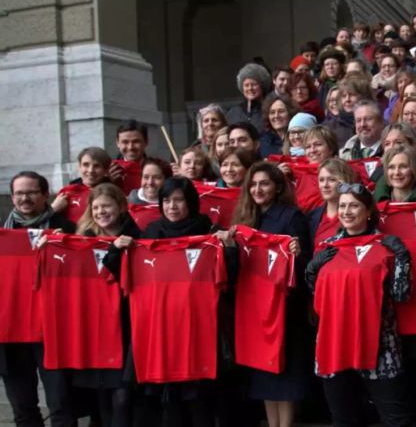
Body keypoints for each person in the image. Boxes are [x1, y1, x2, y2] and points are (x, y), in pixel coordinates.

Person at [304, 183, 415, 426]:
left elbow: (401, 295)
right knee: (343, 419)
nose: (346, 211)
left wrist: (403, 261)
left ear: (368, 211)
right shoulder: (327, 247)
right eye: (342, 205)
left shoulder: (386, 246)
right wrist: (311, 271)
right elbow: (318, 296)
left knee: (396, 418)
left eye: (354, 205)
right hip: (334, 343)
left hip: (379, 345)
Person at [136, 177, 231, 427]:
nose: (172, 206)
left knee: (200, 404)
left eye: (179, 200)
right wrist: (117, 250)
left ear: (190, 202)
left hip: (199, 328)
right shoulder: (150, 233)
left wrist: (229, 248)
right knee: (170, 406)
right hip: (163, 330)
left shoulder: (208, 232)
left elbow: (229, 275)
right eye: (166, 200)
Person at [231, 162, 311, 427]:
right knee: (263, 373)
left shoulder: (292, 216)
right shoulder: (244, 219)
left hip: (284, 307)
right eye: (253, 184)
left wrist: (297, 254)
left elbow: (304, 265)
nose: (257, 189)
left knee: (284, 375)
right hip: (254, 307)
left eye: (264, 183)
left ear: (277, 187)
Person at [1, 171, 77, 427]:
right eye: (19, 193)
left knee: (61, 406)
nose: (25, 198)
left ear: (46, 195)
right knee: (23, 410)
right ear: (12, 197)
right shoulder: (1, 232)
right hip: (10, 333)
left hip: (52, 332)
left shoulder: (66, 230)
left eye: (32, 192)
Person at [72, 183, 141, 427]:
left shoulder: (138, 238)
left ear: (121, 207)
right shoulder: (83, 241)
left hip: (127, 327)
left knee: (123, 395)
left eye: (106, 206)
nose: (101, 212)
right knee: (101, 396)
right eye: (96, 207)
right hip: (96, 326)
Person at [307, 158, 360, 247]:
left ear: (345, 181)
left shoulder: (357, 213)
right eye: (321, 180)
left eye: (332, 180)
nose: (325, 185)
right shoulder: (312, 217)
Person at [53, 146, 113, 223]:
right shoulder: (68, 192)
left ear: (106, 170)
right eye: (86, 165)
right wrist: (52, 210)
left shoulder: (113, 193)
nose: (91, 170)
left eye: (97, 166)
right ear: (79, 167)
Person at [324, 73, 373, 147]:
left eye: (352, 94)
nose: (347, 100)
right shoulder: (329, 128)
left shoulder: (378, 124)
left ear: (364, 96)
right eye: (344, 96)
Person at [226, 63, 272, 132]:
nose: (250, 88)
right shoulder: (234, 112)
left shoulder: (271, 109)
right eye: (246, 85)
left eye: (254, 84)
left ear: (262, 85)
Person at [259, 94, 299, 159]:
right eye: (272, 112)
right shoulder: (264, 141)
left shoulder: (299, 137)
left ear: (290, 113)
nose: (276, 116)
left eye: (281, 111)